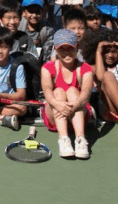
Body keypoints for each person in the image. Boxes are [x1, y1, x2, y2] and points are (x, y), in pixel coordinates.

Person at [41, 29, 94, 159]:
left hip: (78, 113)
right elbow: (47, 91)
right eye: (62, 49)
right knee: (58, 92)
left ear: (77, 48)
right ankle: (64, 139)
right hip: (56, 114)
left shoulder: (85, 68)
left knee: (72, 91)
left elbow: (86, 93)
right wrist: (58, 105)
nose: (66, 53)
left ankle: (80, 140)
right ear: (55, 49)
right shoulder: (48, 68)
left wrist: (73, 106)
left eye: (70, 48)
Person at [80, 29, 118, 137]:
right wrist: (98, 52)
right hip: (110, 106)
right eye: (106, 51)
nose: (110, 55)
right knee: (108, 76)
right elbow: (100, 76)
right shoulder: (93, 67)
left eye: (114, 51)